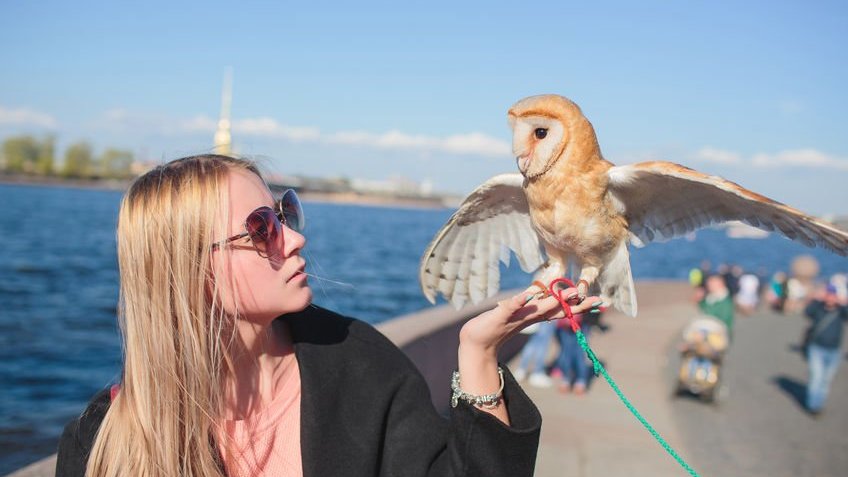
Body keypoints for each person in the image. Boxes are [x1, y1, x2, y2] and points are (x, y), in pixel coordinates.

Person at [55, 155, 602, 477]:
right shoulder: (105, 445)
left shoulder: (358, 363)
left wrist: (478, 356)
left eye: (285, 213)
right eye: (261, 227)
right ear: (189, 272)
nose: (296, 237)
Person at [803, 284, 848, 415]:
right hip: (816, 348)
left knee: (826, 379)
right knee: (817, 376)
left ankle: (819, 401)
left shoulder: (841, 310)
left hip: (834, 351)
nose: (830, 298)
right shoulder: (818, 307)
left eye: (833, 295)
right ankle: (813, 406)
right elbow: (807, 312)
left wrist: (843, 303)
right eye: (828, 294)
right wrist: (816, 298)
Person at [513, 321, 556, 388]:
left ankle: (522, 369)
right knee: (542, 343)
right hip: (547, 317)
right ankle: (537, 372)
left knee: (532, 343)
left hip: (537, 318)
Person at [693, 275, 735, 340]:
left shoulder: (725, 300)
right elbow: (704, 308)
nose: (709, 285)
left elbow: (724, 319)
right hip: (708, 329)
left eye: (712, 283)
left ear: (720, 283)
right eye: (709, 283)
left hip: (719, 332)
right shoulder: (710, 297)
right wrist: (699, 300)